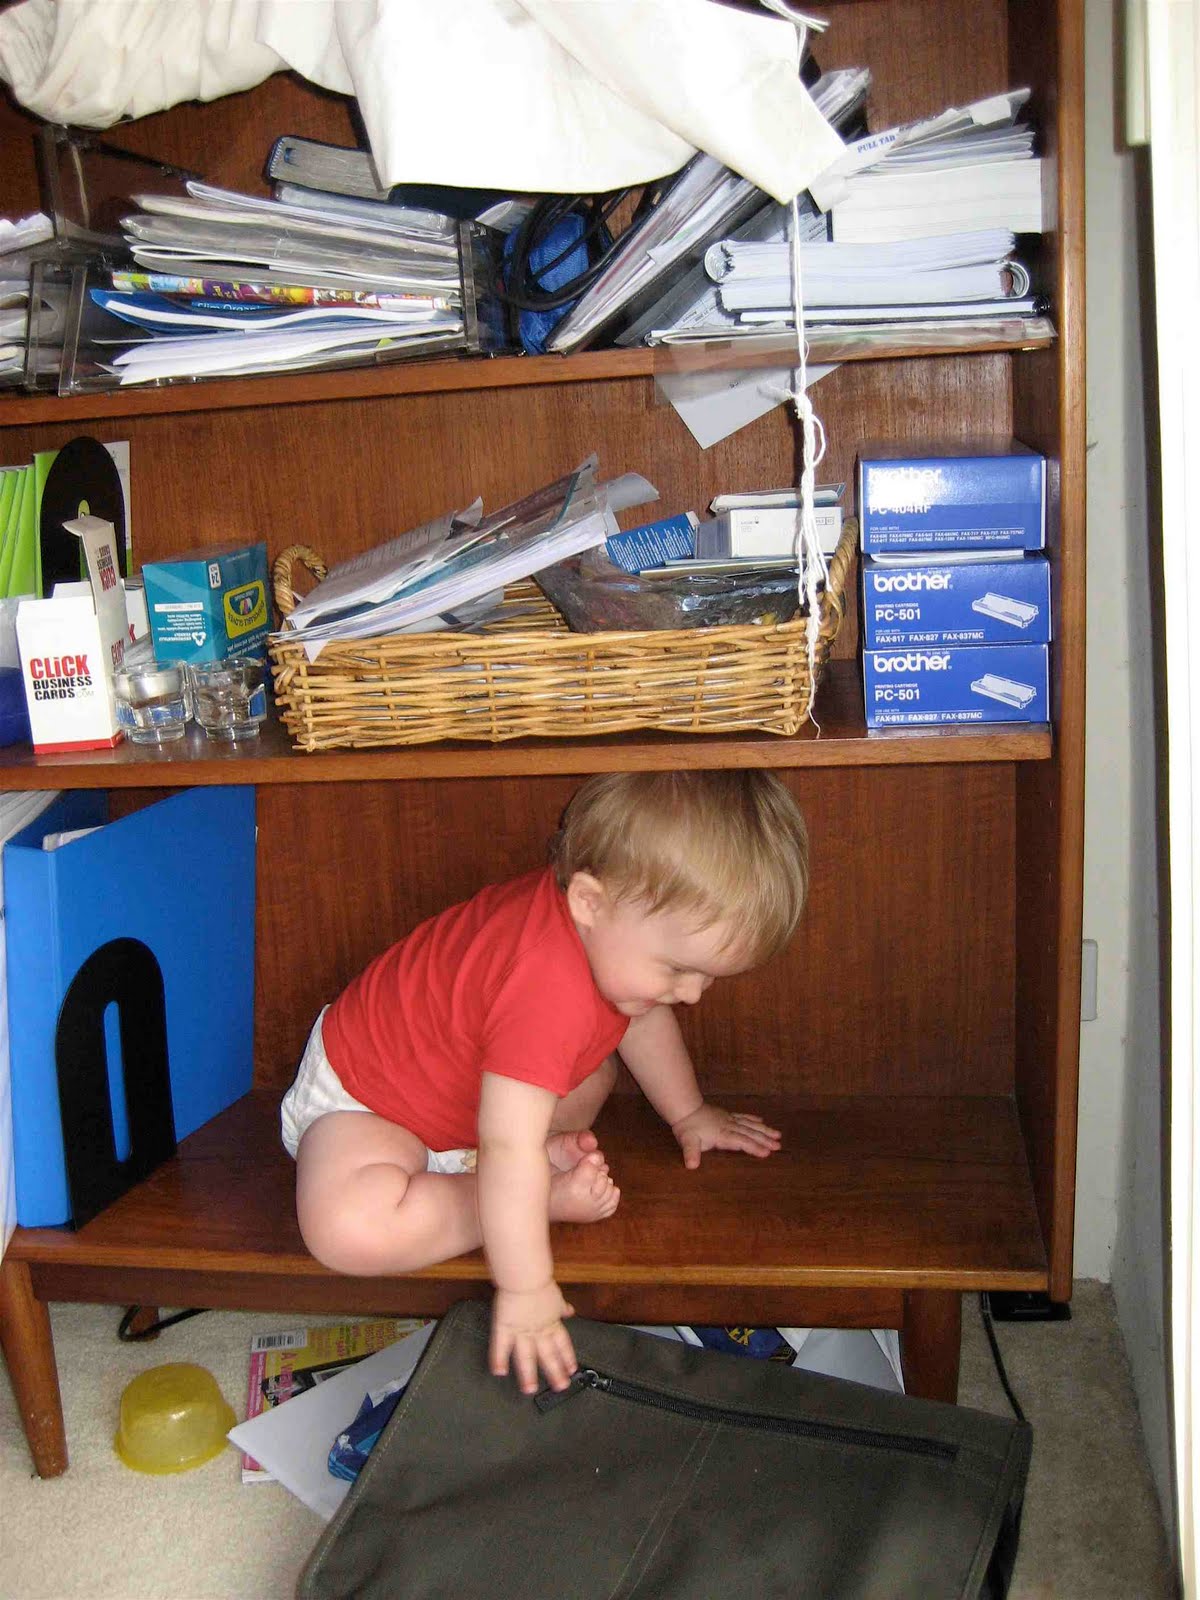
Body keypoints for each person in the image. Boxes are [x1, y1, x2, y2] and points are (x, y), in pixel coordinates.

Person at [281, 769, 810, 1397]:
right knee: (346, 1229)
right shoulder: (544, 984)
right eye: (679, 969)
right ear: (588, 901)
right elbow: (507, 1143)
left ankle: (518, 1181)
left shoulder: (602, 931)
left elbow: (641, 1018)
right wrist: (527, 1288)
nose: (693, 993)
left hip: (480, 1098)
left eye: (707, 976)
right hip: (376, 1105)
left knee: (597, 1073)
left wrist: (688, 1113)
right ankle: (531, 1195)